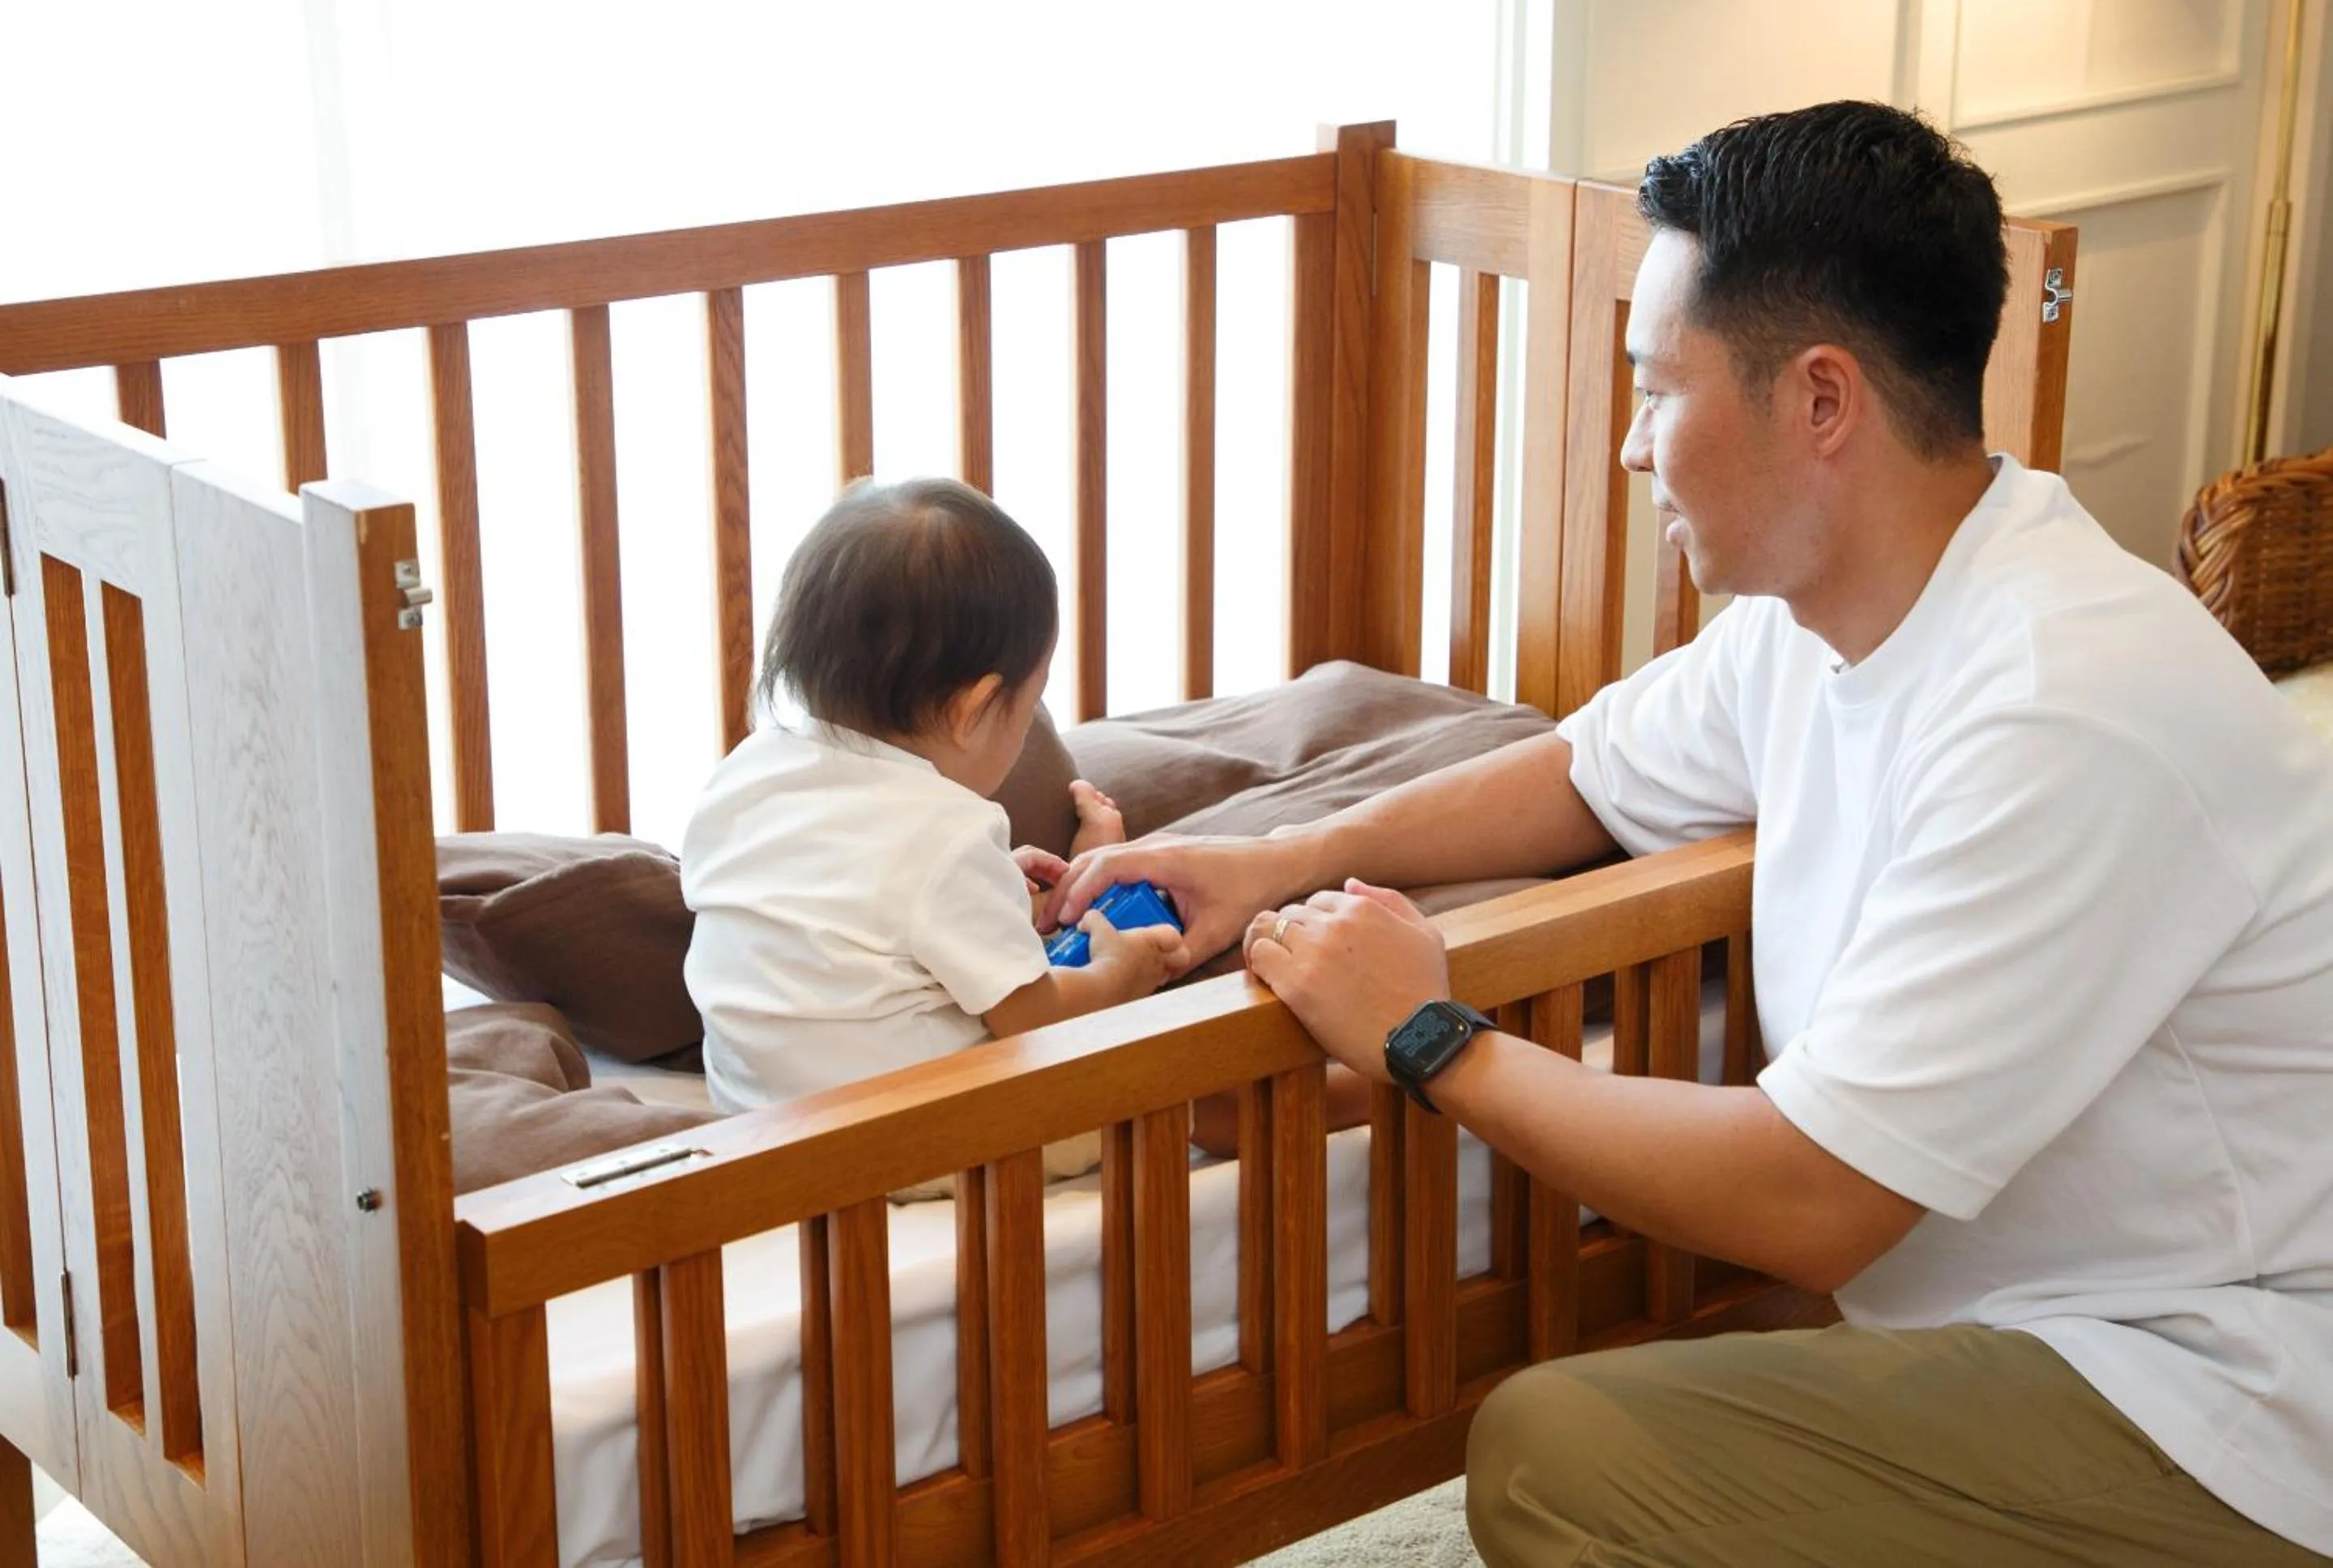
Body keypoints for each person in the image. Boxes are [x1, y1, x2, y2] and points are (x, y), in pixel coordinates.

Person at [1053, 100, 2333, 1563]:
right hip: (2025, 1320)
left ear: (1822, 401)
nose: (1628, 449)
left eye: (1657, 391)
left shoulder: (2062, 708)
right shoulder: (1830, 612)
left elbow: (1815, 1200)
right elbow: (1582, 773)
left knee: (1556, 1457)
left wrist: (1430, 1036)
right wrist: (1274, 859)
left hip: (2221, 1384)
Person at [681, 477, 1188, 1182]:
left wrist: (992, 886)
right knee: (1168, 1072)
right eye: (1031, 701)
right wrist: (1121, 976)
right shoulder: (948, 835)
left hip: (756, 1121)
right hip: (918, 1144)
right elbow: (1038, 1021)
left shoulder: (745, 775)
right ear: (973, 710)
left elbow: (846, 914)